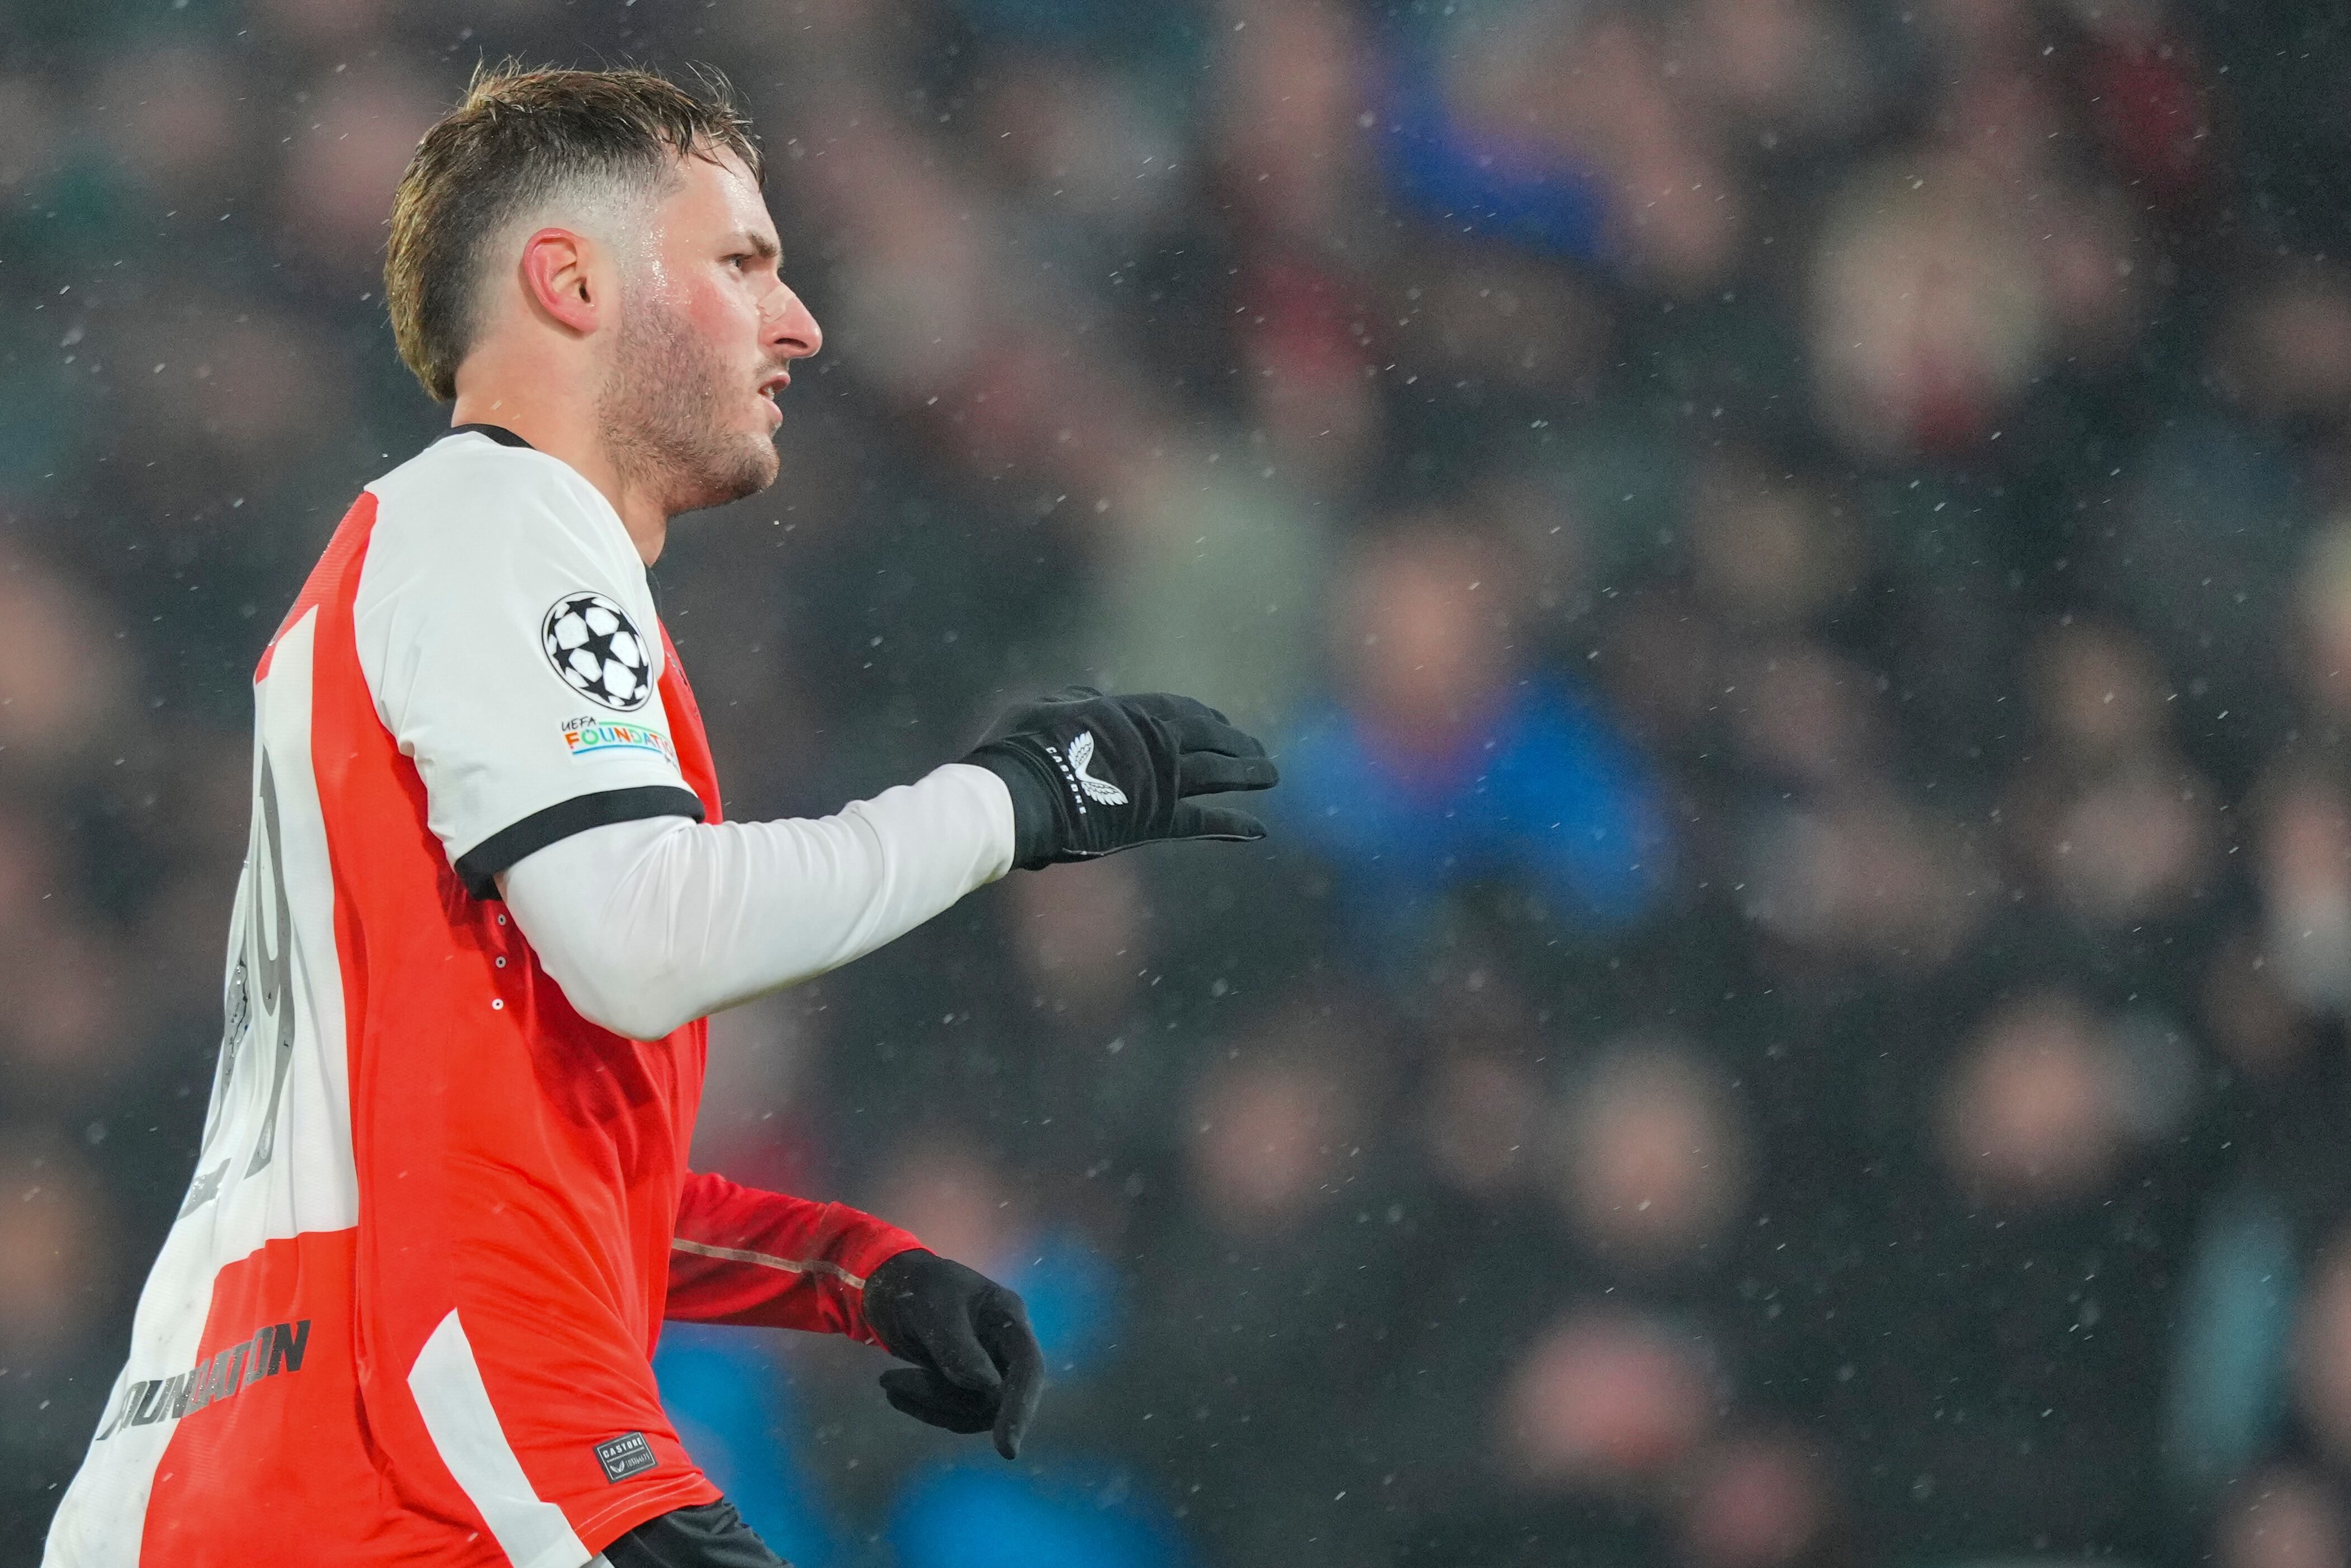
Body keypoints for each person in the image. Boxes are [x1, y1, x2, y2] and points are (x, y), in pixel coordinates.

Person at [42, 64, 1277, 1568]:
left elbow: (494, 1150)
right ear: (568, 281)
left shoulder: (413, 577)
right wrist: (1017, 803)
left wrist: (850, 1272)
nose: (798, 320)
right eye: (743, 262)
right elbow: (641, 939)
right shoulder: (499, 519)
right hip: (432, 1455)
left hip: (242, 1464)